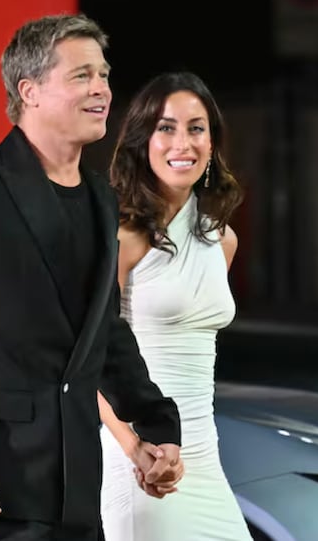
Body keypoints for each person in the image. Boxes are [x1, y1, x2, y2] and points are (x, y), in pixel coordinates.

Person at [0, 13, 183, 541]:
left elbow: (102, 331)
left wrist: (155, 425)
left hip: (77, 492)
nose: (101, 88)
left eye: (103, 75)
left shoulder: (102, 198)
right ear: (28, 91)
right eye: (81, 75)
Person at [97, 71, 251, 540]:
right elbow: (86, 360)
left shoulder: (222, 240)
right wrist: (135, 448)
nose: (182, 142)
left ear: (212, 143)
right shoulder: (120, 236)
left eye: (195, 128)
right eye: (166, 128)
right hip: (141, 456)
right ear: (143, 140)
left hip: (204, 458)